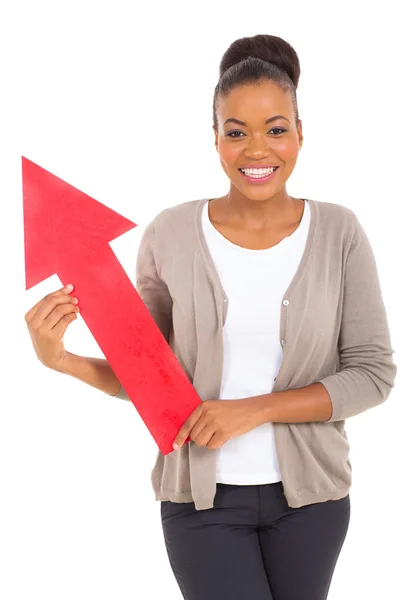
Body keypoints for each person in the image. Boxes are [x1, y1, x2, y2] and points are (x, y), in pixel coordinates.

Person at [25, 34, 397, 600]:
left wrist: (253, 411)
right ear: (215, 139)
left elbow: (372, 375)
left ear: (300, 134)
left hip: (313, 502)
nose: (257, 150)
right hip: (201, 502)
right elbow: (149, 381)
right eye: (236, 132)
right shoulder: (171, 233)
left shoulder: (339, 232)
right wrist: (64, 360)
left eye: (276, 129)